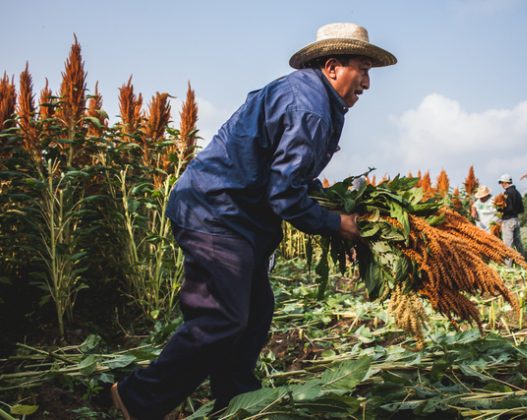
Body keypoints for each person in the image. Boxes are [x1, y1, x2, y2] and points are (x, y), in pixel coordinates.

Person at [110, 22, 397, 419]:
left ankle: (235, 401)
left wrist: (329, 203)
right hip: (216, 212)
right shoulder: (310, 109)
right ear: (333, 66)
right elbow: (284, 194)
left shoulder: (314, 100)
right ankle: (138, 398)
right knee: (223, 317)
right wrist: (339, 224)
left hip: (237, 219)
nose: (367, 81)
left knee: (254, 315)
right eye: (361, 69)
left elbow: (292, 176)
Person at [497, 173, 525, 266]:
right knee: (518, 243)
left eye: (502, 182)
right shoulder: (517, 192)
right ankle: (523, 263)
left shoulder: (507, 193)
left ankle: (508, 266)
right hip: (516, 219)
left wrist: (500, 209)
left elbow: (508, 208)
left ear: (506, 182)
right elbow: (521, 208)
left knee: (507, 244)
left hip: (508, 221)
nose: (501, 184)